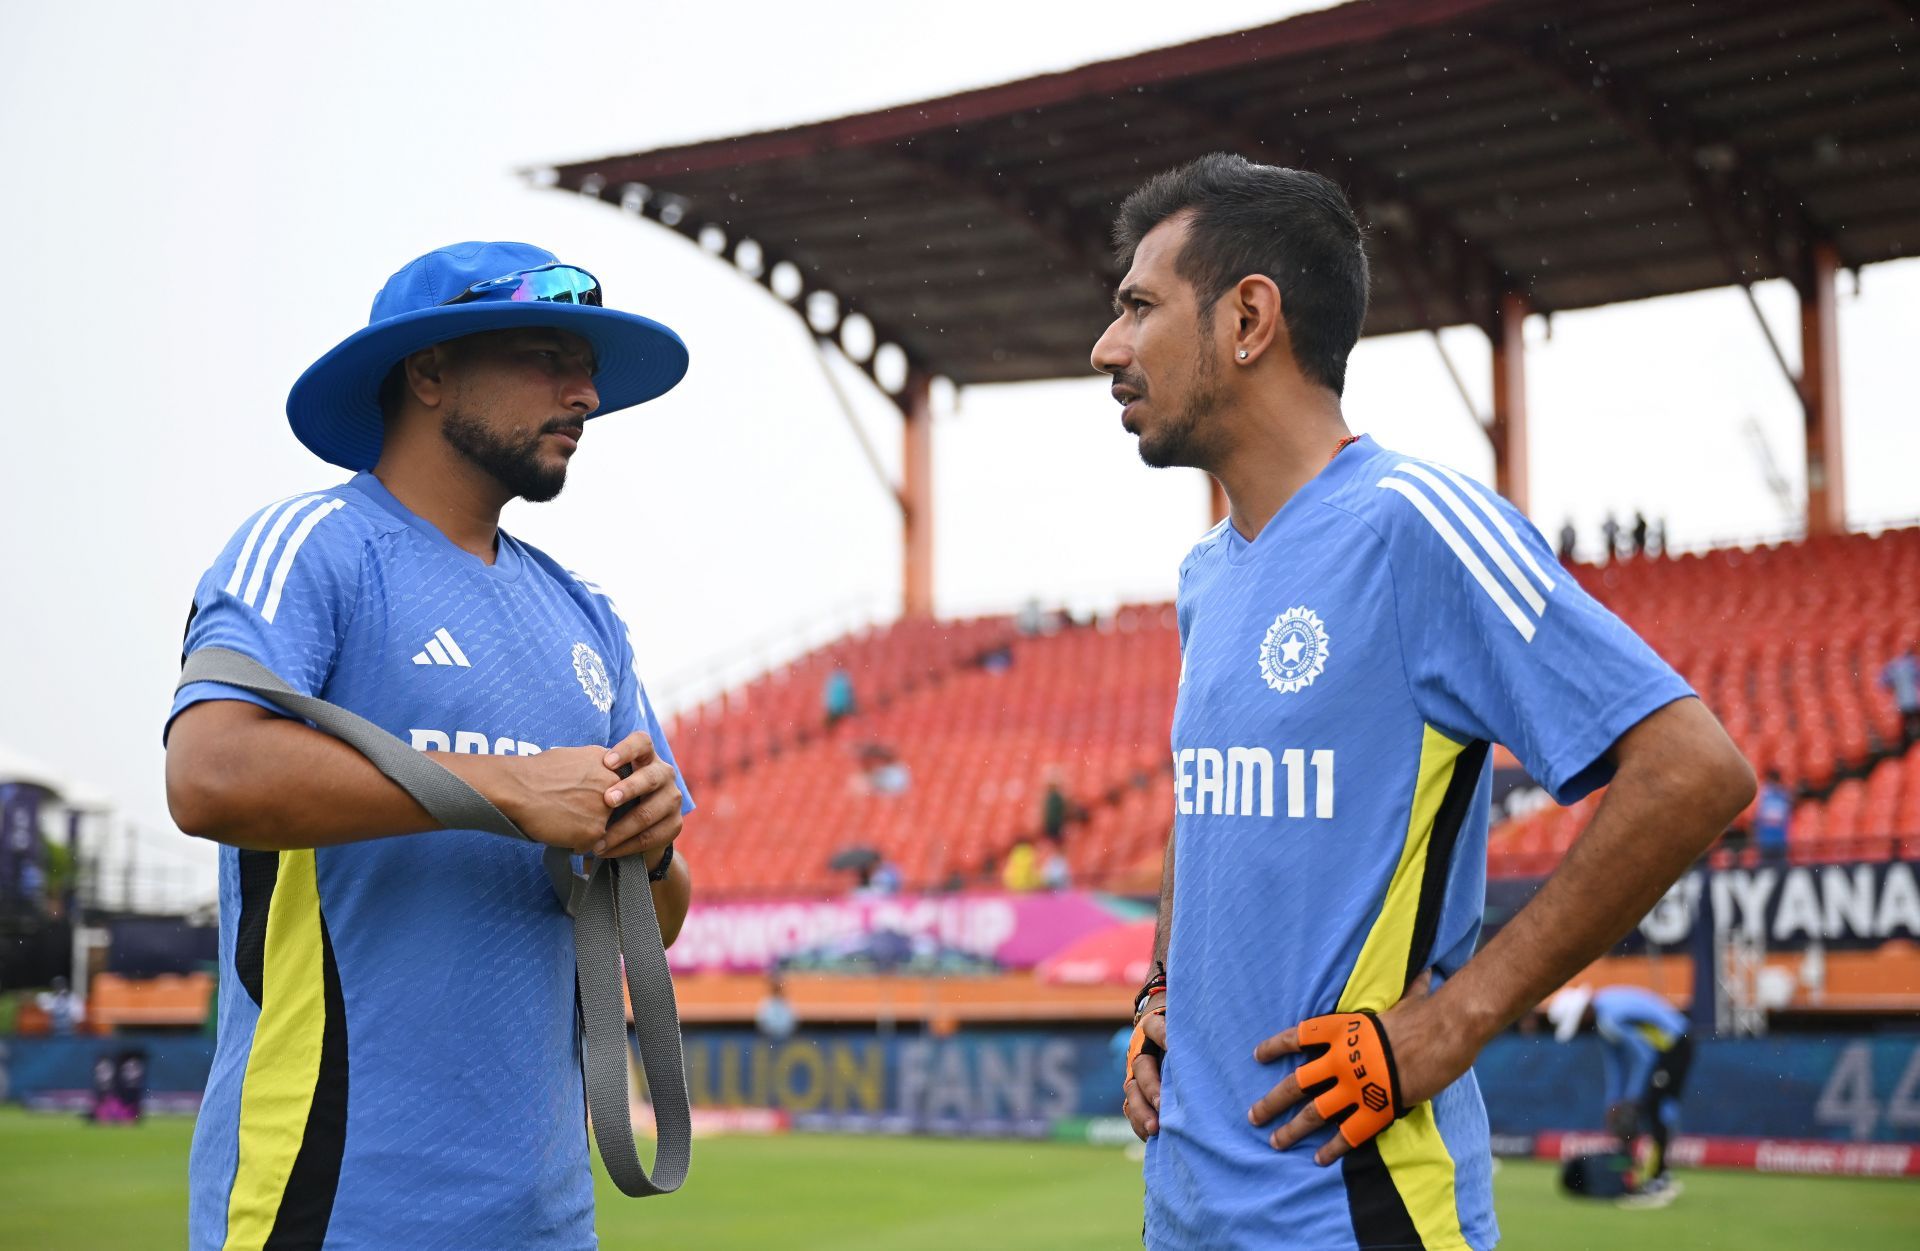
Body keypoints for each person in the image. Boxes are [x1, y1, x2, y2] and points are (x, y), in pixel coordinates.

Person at [1092, 155, 1752, 1249]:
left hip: (1358, 1212)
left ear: (1250, 316)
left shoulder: (1417, 527)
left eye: (1138, 307)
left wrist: (1450, 1025)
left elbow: (1693, 770)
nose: (1107, 348)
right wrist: (1159, 994)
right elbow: (1202, 808)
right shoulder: (1207, 574)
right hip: (1186, 1213)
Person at [164, 242, 696, 1250]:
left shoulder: (586, 618)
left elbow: (655, 923)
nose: (584, 392)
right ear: (429, 371)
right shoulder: (310, 547)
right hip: (332, 1200)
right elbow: (209, 773)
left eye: (583, 368)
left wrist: (652, 846)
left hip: (546, 1217)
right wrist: (510, 791)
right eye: (546, 356)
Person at [1547, 985, 1692, 1207]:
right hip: (1666, 1049)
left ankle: (1659, 1180)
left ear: (1583, 1012)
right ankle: (1648, 1176)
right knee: (1654, 1107)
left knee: (1653, 1106)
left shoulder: (1609, 1017)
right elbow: (1615, 1063)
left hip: (1675, 1044)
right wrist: (1614, 1102)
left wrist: (1632, 1099)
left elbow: (1644, 1057)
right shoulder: (1604, 1017)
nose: (1581, 1028)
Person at [1753, 770, 1793, 864]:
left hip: (1779, 841)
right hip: (1765, 841)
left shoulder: (1783, 796)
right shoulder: (1763, 796)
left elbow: (1786, 819)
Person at [1883, 644, 1920, 743]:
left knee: (1905, 725)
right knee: (1915, 722)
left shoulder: (1895, 665)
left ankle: (1908, 745)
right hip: (1915, 700)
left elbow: (1884, 680)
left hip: (1902, 701)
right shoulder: (1914, 665)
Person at [754, 973, 798, 1041]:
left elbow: (793, 1021)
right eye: (775, 986)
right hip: (768, 1039)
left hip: (786, 1040)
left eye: (778, 986)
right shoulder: (766, 1003)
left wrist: (784, 1033)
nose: (776, 988)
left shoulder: (787, 1003)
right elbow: (761, 1021)